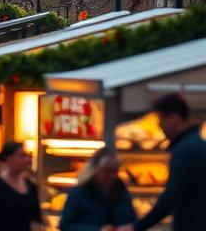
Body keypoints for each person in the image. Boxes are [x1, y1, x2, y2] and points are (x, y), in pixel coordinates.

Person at [136, 92, 206, 231]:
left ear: (174, 117)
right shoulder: (197, 145)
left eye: (161, 118)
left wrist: (137, 227)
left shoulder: (185, 150)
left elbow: (171, 197)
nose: (159, 125)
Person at [59, 147, 135, 231]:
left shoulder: (122, 193)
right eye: (108, 171)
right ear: (95, 170)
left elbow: (132, 220)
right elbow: (66, 226)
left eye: (115, 171)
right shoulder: (79, 193)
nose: (112, 175)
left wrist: (129, 227)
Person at [0, 142, 42, 231]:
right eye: (22, 156)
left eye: (27, 156)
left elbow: (36, 220)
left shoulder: (31, 186)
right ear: (9, 158)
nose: (26, 160)